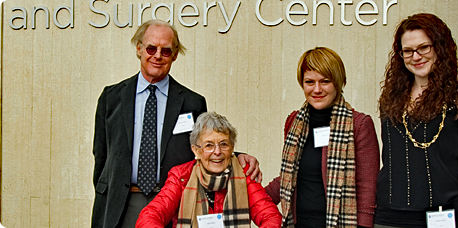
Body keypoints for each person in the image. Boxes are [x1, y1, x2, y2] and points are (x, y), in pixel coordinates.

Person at [91, 19, 261, 228]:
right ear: (139, 49)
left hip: (173, 203)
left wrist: (236, 156)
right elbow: (101, 155)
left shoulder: (192, 103)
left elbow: (204, 147)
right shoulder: (111, 97)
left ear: (175, 55)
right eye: (151, 48)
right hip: (120, 204)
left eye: (166, 51)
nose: (157, 56)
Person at [375, 13, 458, 228]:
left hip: (442, 216)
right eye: (407, 51)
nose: (415, 56)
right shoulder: (390, 99)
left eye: (424, 47)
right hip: (388, 217)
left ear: (440, 47)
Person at [265, 47, 380, 228]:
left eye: (325, 81)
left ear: (338, 82)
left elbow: (367, 188)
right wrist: (253, 199)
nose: (317, 89)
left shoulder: (359, 124)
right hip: (298, 224)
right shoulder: (294, 122)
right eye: (309, 82)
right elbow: (289, 176)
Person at [136, 112, 282, 228]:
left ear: (232, 147)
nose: (217, 152)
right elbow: (149, 216)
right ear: (196, 150)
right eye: (209, 145)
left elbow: (271, 217)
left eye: (223, 144)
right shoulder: (181, 176)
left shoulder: (244, 174)